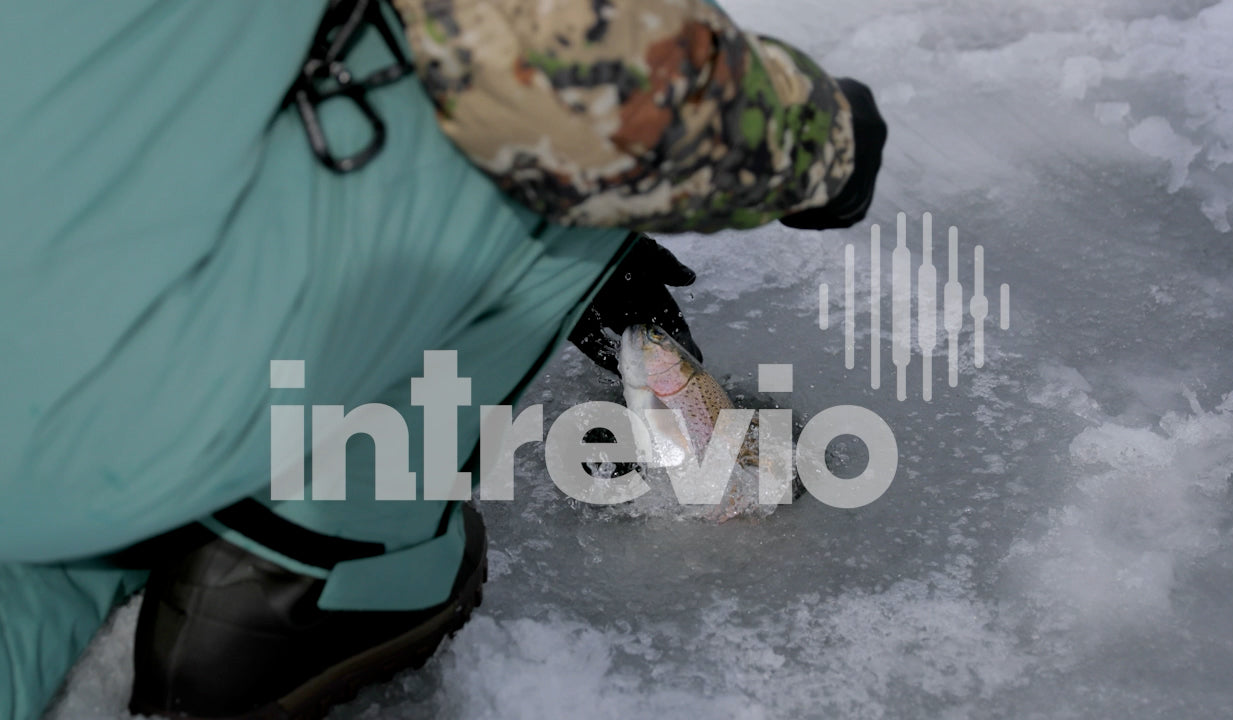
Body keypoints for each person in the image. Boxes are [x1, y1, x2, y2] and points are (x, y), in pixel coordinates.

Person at [0, 0, 885, 717]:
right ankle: (309, 561)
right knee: (565, 130)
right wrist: (830, 144)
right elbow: (587, 71)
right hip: (119, 400)